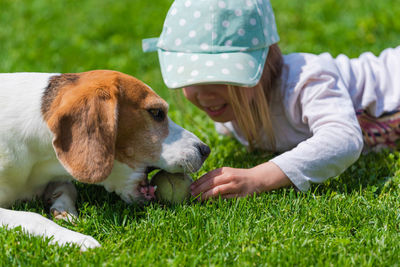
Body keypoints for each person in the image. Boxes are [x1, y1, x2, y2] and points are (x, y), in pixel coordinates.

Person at [142, 0, 400, 200]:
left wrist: (259, 177)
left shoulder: (306, 78)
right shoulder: (231, 118)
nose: (206, 94)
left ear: (263, 63)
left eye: (223, 78)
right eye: (191, 79)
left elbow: (343, 138)